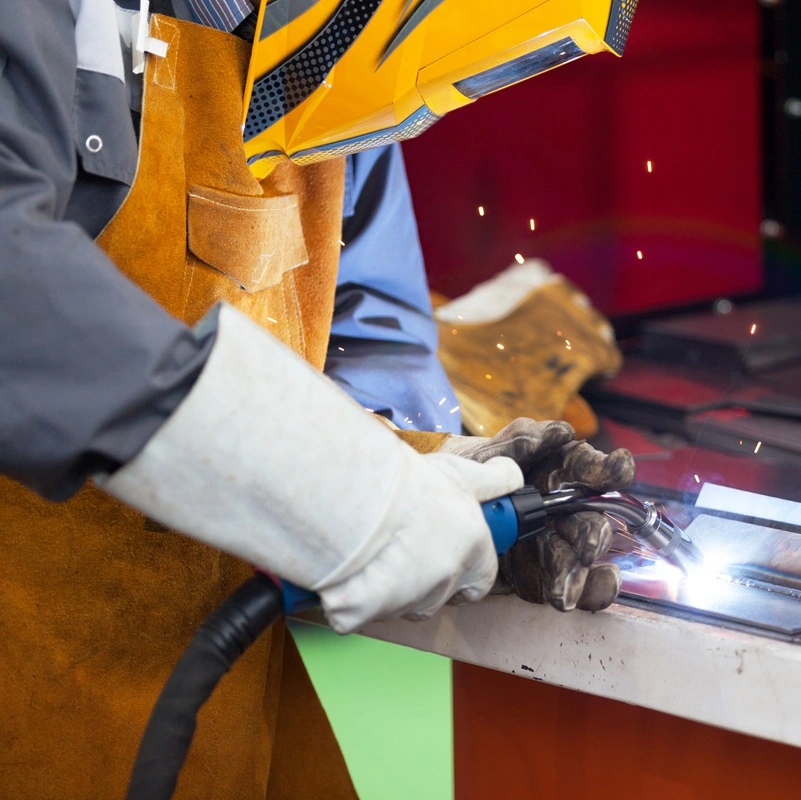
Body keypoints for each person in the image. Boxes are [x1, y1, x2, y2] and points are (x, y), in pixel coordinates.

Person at [0, 0, 634, 796]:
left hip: (214, 723)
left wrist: (446, 476)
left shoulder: (333, 40)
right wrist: (342, 494)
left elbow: (368, 350)